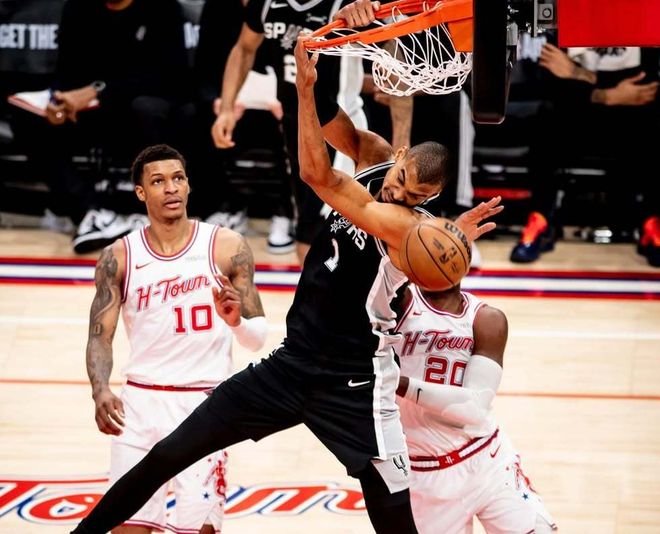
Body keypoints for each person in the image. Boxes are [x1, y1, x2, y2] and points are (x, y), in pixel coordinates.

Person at [70, 34, 503, 534]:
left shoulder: (406, 227)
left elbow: (317, 173)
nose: (398, 191)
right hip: (292, 363)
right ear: (400, 155)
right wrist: (315, 69)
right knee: (170, 453)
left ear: (431, 197)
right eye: (401, 177)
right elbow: (332, 123)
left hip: (356, 381)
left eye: (415, 194)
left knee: (393, 519)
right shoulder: (377, 156)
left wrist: (302, 91)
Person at [84, 143, 267, 533]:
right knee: (127, 528)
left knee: (199, 530)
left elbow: (257, 339)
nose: (171, 188)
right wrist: (100, 389)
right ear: (140, 192)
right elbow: (100, 334)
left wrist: (236, 322)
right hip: (140, 405)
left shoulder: (226, 246)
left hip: (205, 406)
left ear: (188, 185)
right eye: (158, 181)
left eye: (178, 178)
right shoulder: (119, 256)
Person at [212, 0, 369, 264]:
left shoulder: (344, 4)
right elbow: (244, 48)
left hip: (338, 127)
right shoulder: (266, 4)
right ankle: (313, 288)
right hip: (294, 125)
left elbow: (389, 45)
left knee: (331, 230)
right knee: (307, 228)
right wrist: (227, 108)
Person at [393, 282, 558, 533]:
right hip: (425, 475)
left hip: (487, 460)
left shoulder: (486, 319)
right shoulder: (397, 304)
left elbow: (474, 408)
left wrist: (398, 383)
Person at [35, 0, 192, 253]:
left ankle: (148, 213)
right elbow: (66, 69)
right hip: (92, 111)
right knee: (30, 118)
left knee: (148, 109)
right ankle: (92, 213)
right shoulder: (77, 7)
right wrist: (58, 100)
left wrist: (99, 91)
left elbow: (170, 76)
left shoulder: (162, 7)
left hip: (139, 107)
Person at [510, 43, 660, 266]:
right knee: (547, 117)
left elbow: (647, 85)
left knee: (652, 117)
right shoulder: (559, 25)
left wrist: (576, 72)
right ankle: (541, 218)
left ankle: (652, 221)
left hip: (632, 118)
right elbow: (548, 83)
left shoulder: (646, 24)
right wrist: (606, 94)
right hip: (575, 115)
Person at [186, 0, 297, 254]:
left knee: (291, 121)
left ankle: (286, 212)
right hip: (233, 97)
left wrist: (285, 97)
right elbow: (205, 64)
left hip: (281, 94)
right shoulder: (218, 7)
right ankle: (226, 205)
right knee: (197, 115)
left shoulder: (283, 6)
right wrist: (219, 101)